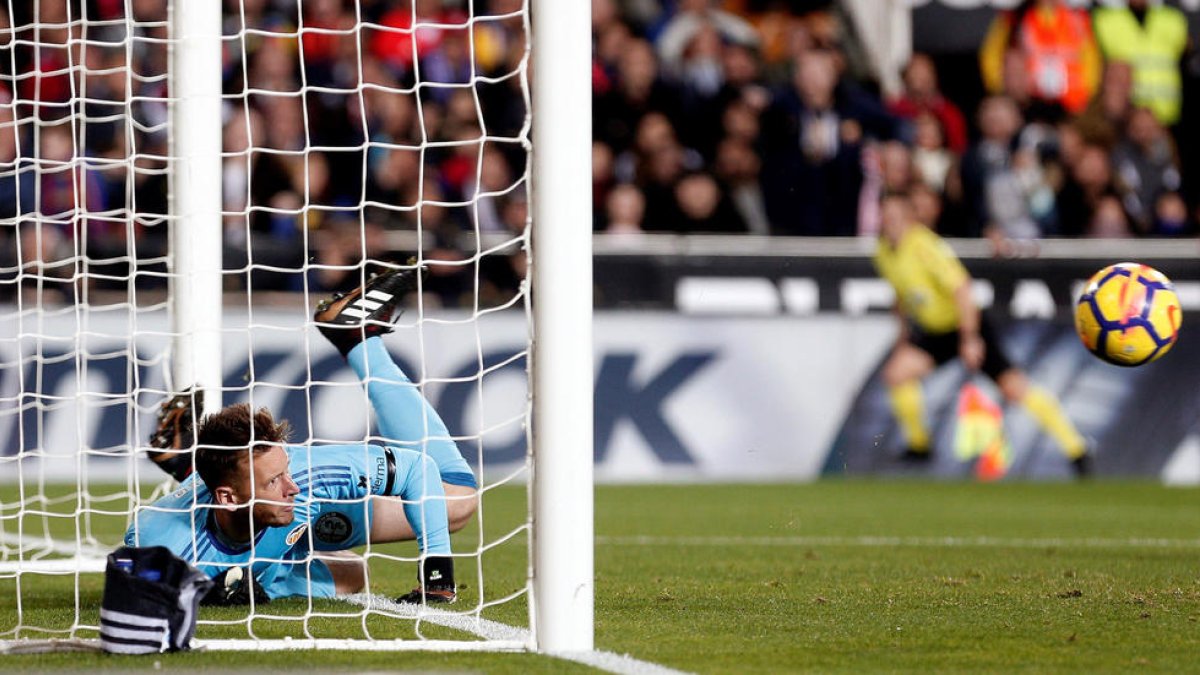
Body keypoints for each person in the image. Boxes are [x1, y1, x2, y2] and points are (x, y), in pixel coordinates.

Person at [126, 266, 479, 605]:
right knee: (352, 573)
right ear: (229, 498)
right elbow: (132, 571)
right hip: (254, 529)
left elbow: (416, 469)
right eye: (275, 481)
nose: (292, 486)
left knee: (456, 505)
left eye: (286, 472)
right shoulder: (161, 543)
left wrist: (437, 578)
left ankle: (357, 337)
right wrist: (215, 590)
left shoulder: (306, 476)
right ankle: (358, 340)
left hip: (287, 519)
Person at [873, 192, 1092, 477]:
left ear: (909, 217)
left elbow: (962, 289)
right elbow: (902, 296)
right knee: (897, 373)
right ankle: (919, 447)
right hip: (934, 332)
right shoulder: (883, 251)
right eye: (886, 216)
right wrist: (903, 335)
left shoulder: (923, 245)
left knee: (1013, 387)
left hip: (964, 324)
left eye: (897, 217)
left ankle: (1076, 449)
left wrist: (970, 337)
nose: (891, 222)